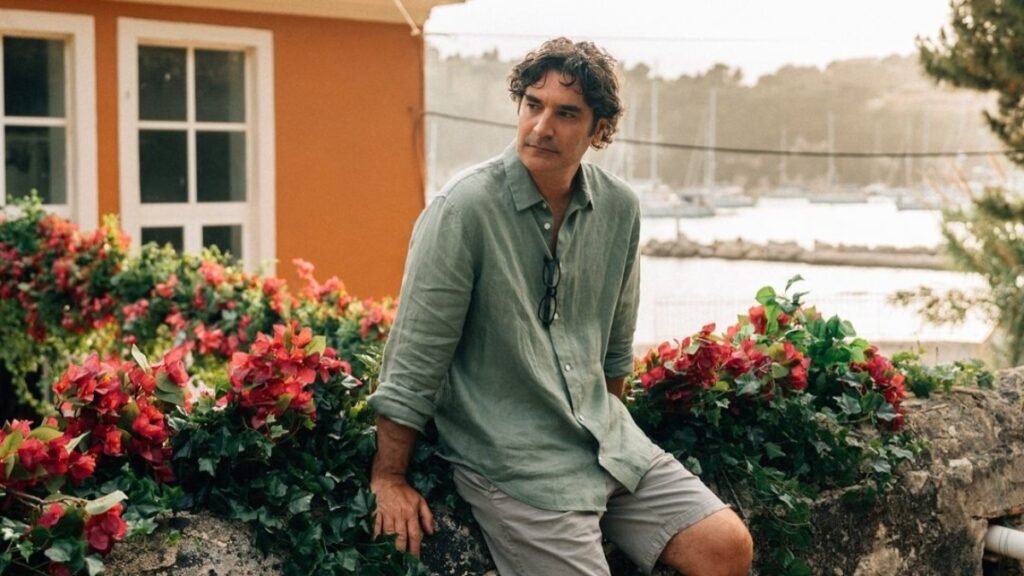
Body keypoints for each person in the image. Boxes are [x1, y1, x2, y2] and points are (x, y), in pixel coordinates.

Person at [367, 37, 753, 576]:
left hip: (607, 445)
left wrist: (608, 431)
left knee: (727, 546)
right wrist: (389, 477)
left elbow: (615, 351)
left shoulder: (619, 208)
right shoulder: (463, 209)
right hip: (513, 463)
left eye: (566, 113)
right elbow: (415, 355)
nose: (541, 127)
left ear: (599, 130)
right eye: (533, 105)